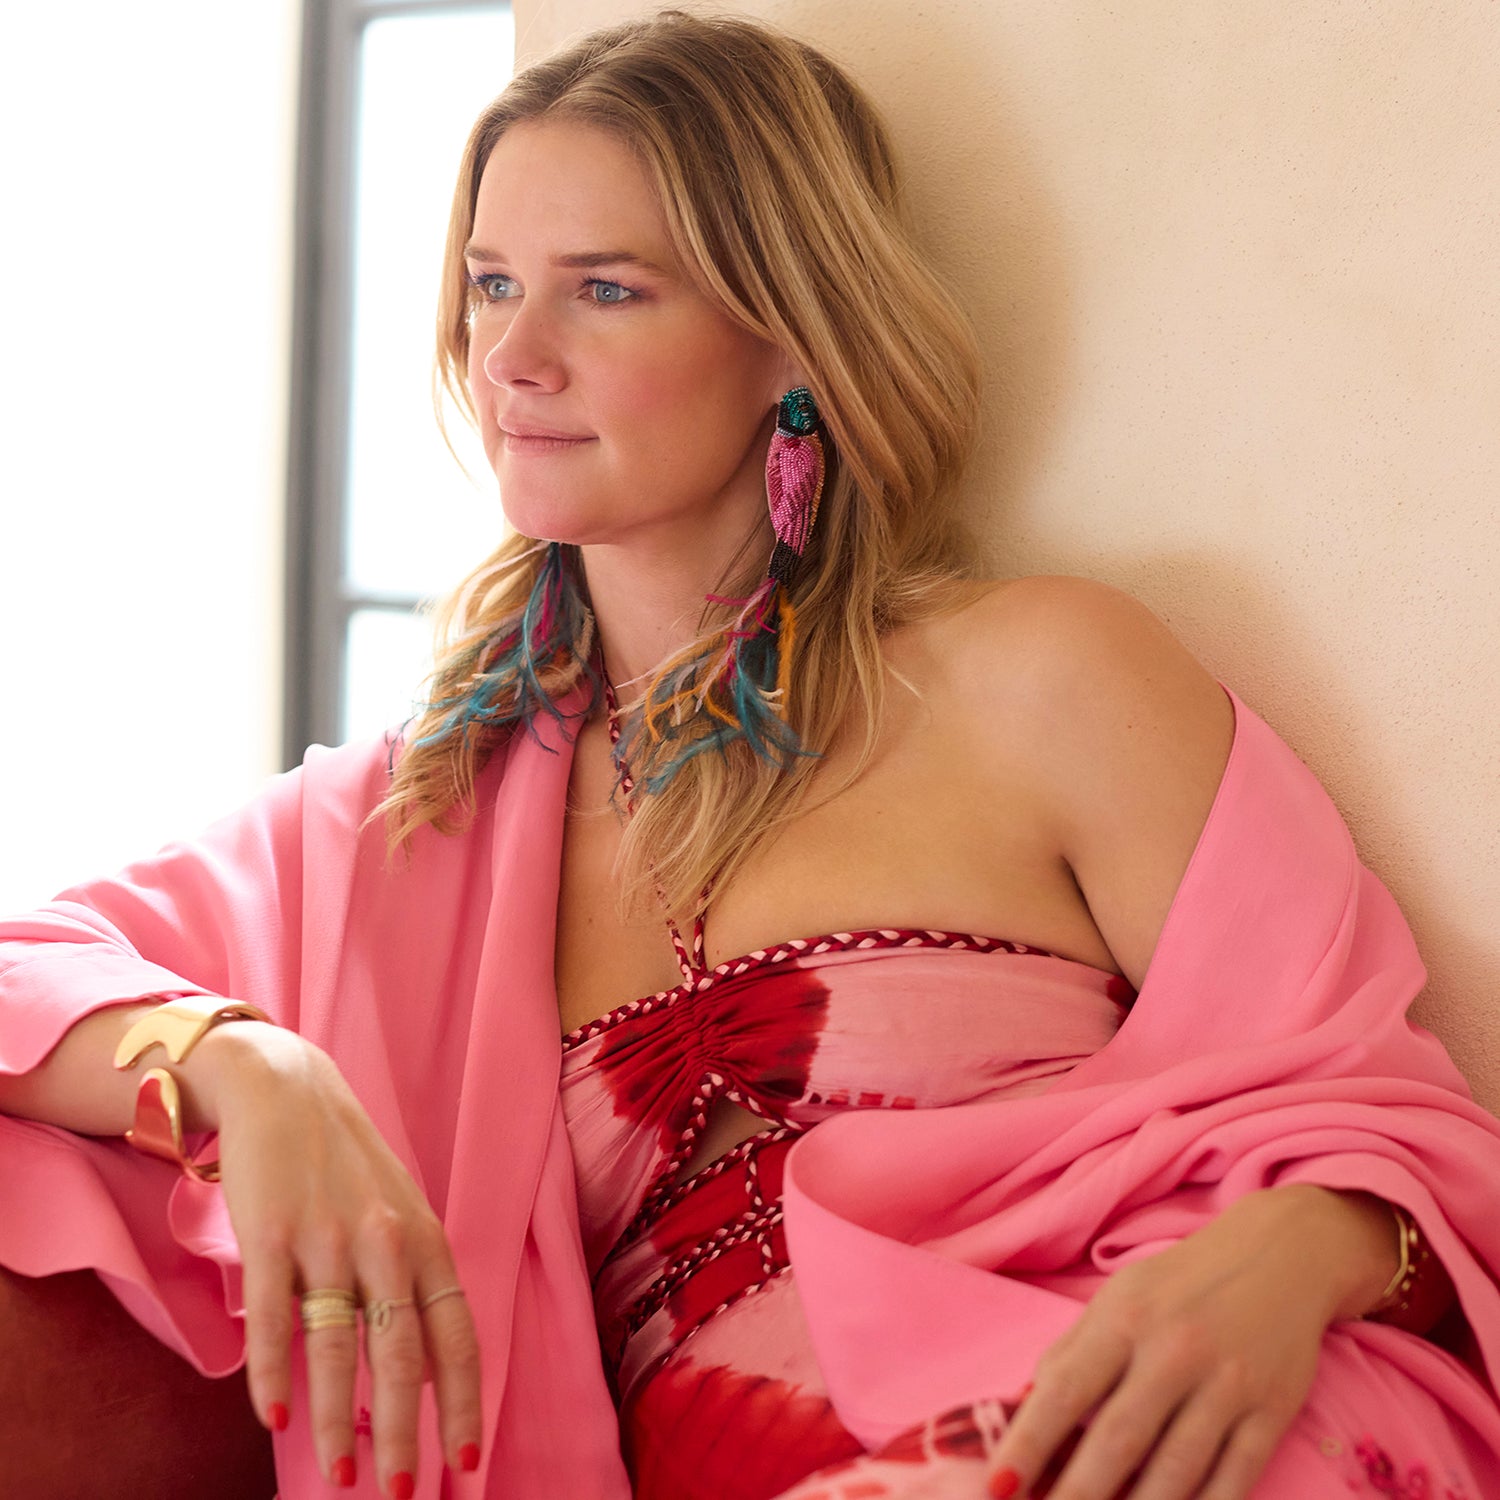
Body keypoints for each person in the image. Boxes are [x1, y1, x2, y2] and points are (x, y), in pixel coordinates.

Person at [2, 10, 1499, 1500]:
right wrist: (242, 1067)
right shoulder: (403, 822)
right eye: (490, 285)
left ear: (788, 332)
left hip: (1152, 1425)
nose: (512, 358)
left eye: (605, 290)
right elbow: (25, 965)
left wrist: (1286, 1267)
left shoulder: (1048, 678)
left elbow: (1392, 1118)